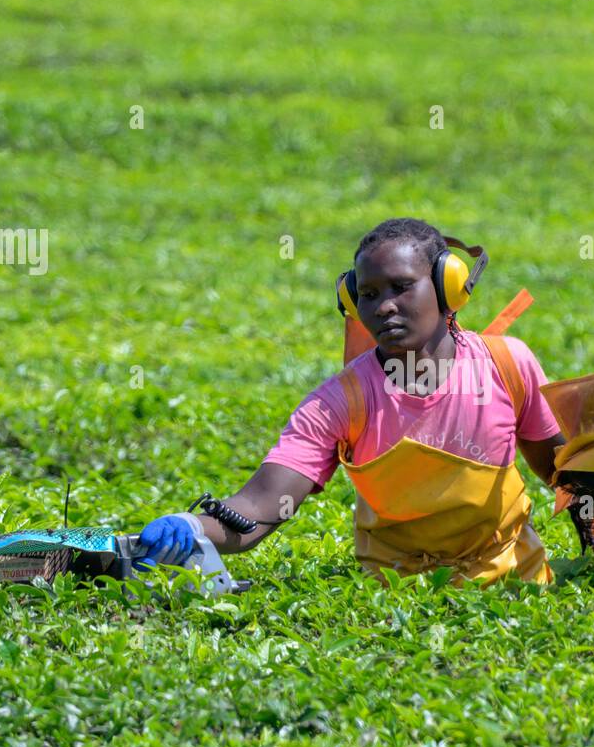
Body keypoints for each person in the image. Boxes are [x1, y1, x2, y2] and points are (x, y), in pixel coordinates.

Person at [136, 218, 566, 586]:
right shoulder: (338, 402)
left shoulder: (508, 363)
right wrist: (193, 528)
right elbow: (261, 507)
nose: (384, 307)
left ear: (447, 286)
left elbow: (566, 474)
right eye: (370, 294)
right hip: (396, 599)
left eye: (401, 287)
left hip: (517, 586)